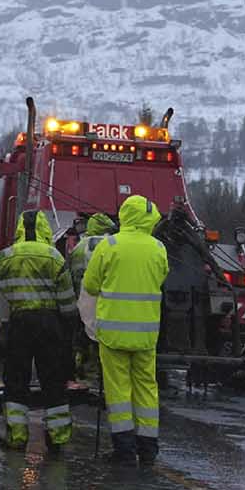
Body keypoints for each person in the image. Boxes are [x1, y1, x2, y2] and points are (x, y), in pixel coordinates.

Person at [0, 209, 79, 450]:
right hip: (49, 325)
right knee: (53, 382)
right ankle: (57, 438)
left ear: (20, 230)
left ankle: (17, 437)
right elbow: (67, 302)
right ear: (45, 229)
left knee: (16, 382)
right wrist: (71, 328)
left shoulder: (7, 256)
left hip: (20, 324)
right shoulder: (55, 258)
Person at [84, 195, 168, 465]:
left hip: (113, 335)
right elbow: (162, 277)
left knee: (118, 391)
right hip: (146, 335)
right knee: (146, 388)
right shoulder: (158, 248)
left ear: (124, 215)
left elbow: (91, 285)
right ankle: (148, 448)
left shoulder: (109, 246)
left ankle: (124, 449)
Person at [65, 211, 118, 387]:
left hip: (82, 300)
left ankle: (81, 375)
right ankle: (101, 378)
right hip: (107, 303)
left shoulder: (79, 248)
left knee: (80, 340)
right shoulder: (112, 245)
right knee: (101, 342)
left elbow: (71, 274)